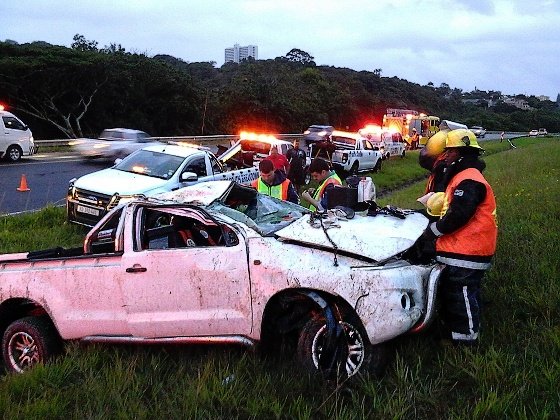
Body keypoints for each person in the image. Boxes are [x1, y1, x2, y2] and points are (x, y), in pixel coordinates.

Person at [419, 128, 498, 346]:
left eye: (449, 152)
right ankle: (457, 333)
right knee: (462, 294)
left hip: (467, 250)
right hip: (462, 250)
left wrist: (433, 231)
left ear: (460, 152)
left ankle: (466, 344)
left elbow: (459, 215)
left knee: (461, 295)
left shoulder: (468, 179)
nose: (445, 156)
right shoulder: (465, 176)